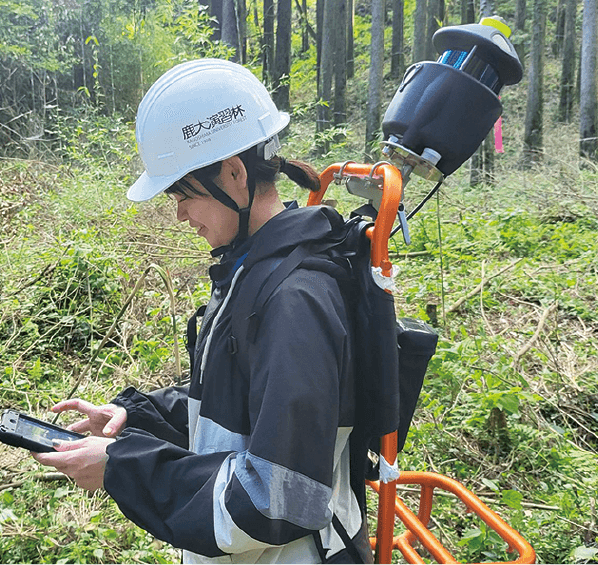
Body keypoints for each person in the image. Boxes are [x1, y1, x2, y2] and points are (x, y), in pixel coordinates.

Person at [33, 58, 373, 564]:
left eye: (184, 194)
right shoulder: (254, 269)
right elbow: (240, 401)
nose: (179, 214)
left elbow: (280, 500)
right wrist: (137, 418)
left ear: (234, 174)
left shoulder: (294, 299)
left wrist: (122, 467)